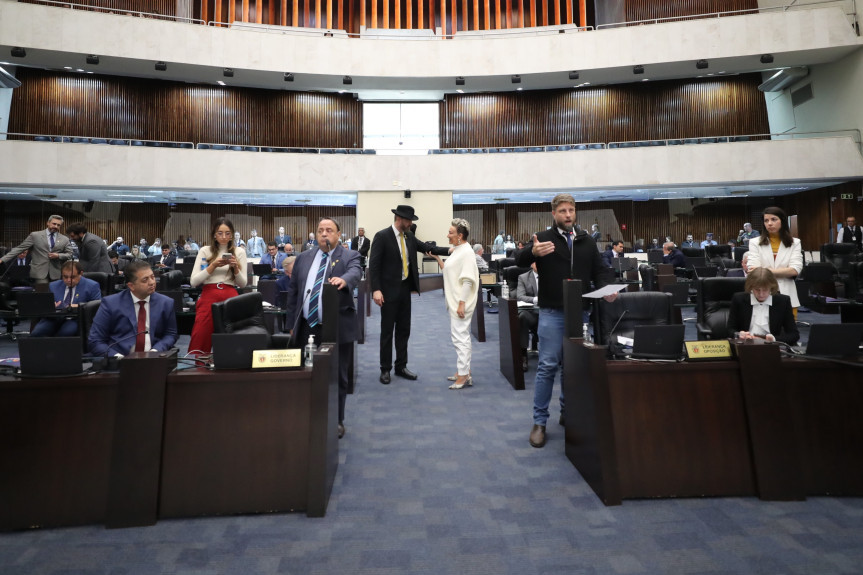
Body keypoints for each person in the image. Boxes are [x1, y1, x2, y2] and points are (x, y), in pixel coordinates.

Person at [516, 193, 616, 449]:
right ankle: (539, 422)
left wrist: (607, 289)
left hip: (580, 312)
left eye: (571, 210)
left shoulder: (585, 241)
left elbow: (601, 270)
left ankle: (567, 412)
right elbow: (519, 262)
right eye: (563, 211)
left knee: (571, 367)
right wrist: (531, 251)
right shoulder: (543, 238)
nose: (568, 215)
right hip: (551, 312)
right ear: (554, 214)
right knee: (547, 366)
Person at [285, 217, 361, 439]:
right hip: (307, 325)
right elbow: (293, 293)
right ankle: (307, 417)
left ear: (338, 234)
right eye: (320, 230)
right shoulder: (304, 258)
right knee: (305, 373)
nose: (324, 234)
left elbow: (355, 273)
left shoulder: (349, 256)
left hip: (336, 327)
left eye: (329, 230)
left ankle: (336, 419)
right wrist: (291, 324)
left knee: (337, 376)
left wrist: (344, 280)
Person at [368, 205, 445, 384]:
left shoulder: (409, 236)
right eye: (409, 220)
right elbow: (375, 266)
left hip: (404, 290)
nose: (411, 223)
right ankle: (385, 369)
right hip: (387, 292)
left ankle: (401, 366)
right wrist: (376, 290)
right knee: (387, 331)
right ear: (399, 219)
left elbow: (427, 248)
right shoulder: (382, 236)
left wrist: (451, 249)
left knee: (404, 330)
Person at [427, 219, 480, 390]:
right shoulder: (458, 250)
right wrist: (436, 258)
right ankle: (464, 371)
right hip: (456, 300)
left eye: (451, 233)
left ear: (460, 235)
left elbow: (468, 281)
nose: (447, 235)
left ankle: (464, 376)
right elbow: (449, 272)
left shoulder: (467, 253)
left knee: (460, 338)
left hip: (460, 301)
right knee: (460, 337)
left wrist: (462, 304)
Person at [88, 259, 178, 356]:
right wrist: (116, 357)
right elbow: (95, 341)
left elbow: (171, 334)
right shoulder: (110, 304)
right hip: (120, 361)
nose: (152, 282)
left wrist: (155, 351)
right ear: (131, 286)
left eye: (152, 277)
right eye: (145, 280)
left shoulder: (166, 303)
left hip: (154, 360)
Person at [187, 217, 248, 356]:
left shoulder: (239, 252)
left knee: (231, 338)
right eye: (220, 233)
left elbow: (243, 283)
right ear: (214, 234)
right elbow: (194, 282)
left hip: (230, 295)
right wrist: (213, 266)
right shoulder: (205, 251)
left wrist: (235, 268)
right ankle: (200, 369)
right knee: (201, 334)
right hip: (209, 294)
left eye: (227, 233)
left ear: (232, 234)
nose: (224, 237)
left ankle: (230, 370)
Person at [747, 206, 803, 316]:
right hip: (761, 293)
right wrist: (783, 271)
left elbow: (795, 270)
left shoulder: (795, 243)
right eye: (766, 220)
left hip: (787, 294)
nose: (769, 223)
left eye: (774, 219)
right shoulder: (754, 242)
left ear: (782, 220)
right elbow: (754, 270)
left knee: (788, 331)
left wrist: (764, 270)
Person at [30, 261, 102, 337]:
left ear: (80, 274)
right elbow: (45, 306)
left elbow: (97, 307)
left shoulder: (92, 286)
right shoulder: (53, 286)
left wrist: (79, 306)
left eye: (72, 277)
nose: (68, 280)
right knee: (37, 333)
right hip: (55, 318)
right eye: (65, 277)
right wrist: (50, 306)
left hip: (75, 319)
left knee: (65, 333)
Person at [728, 268, 799, 345]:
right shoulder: (739, 299)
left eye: (765, 290)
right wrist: (739, 334)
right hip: (745, 346)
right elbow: (730, 329)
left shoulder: (783, 301)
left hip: (771, 347)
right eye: (757, 290)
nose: (761, 294)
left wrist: (774, 339)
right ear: (751, 287)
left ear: (771, 287)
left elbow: (794, 334)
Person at [0, 214, 74, 284]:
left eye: (58, 225)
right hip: (39, 272)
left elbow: (70, 254)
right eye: (54, 224)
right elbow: (20, 248)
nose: (56, 226)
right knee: (42, 294)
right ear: (48, 223)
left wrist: (58, 255)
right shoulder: (35, 235)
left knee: (54, 295)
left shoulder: (65, 239)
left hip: (56, 273)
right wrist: (2, 259)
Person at [516, 262, 539, 373]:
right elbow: (520, 296)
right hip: (532, 314)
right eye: (536, 262)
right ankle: (523, 354)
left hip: (548, 312)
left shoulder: (550, 275)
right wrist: (535, 299)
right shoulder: (523, 277)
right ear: (531, 264)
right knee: (523, 317)